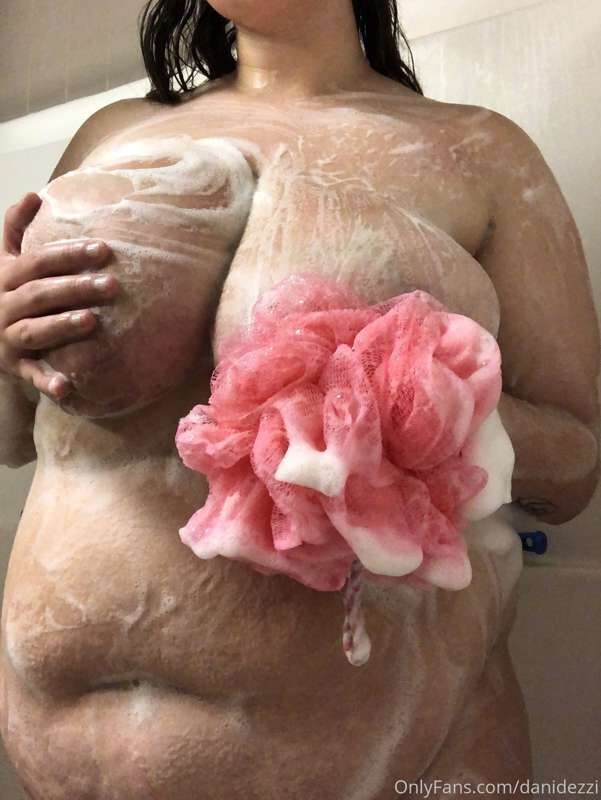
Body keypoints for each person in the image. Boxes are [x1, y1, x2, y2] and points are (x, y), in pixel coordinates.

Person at [0, 1, 599, 797]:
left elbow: (573, 465)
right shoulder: (110, 136)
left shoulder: (478, 150)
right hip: (53, 757)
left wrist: (417, 401)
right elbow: (13, 437)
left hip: (405, 757)